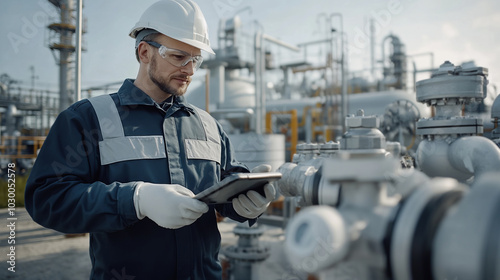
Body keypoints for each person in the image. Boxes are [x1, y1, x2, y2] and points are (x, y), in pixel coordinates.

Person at [24, 0, 275, 279]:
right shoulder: (88, 119)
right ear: (144, 52)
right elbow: (46, 199)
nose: (190, 70)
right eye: (179, 57)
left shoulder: (208, 126)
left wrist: (247, 203)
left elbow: (225, 185)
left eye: (196, 59)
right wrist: (135, 199)